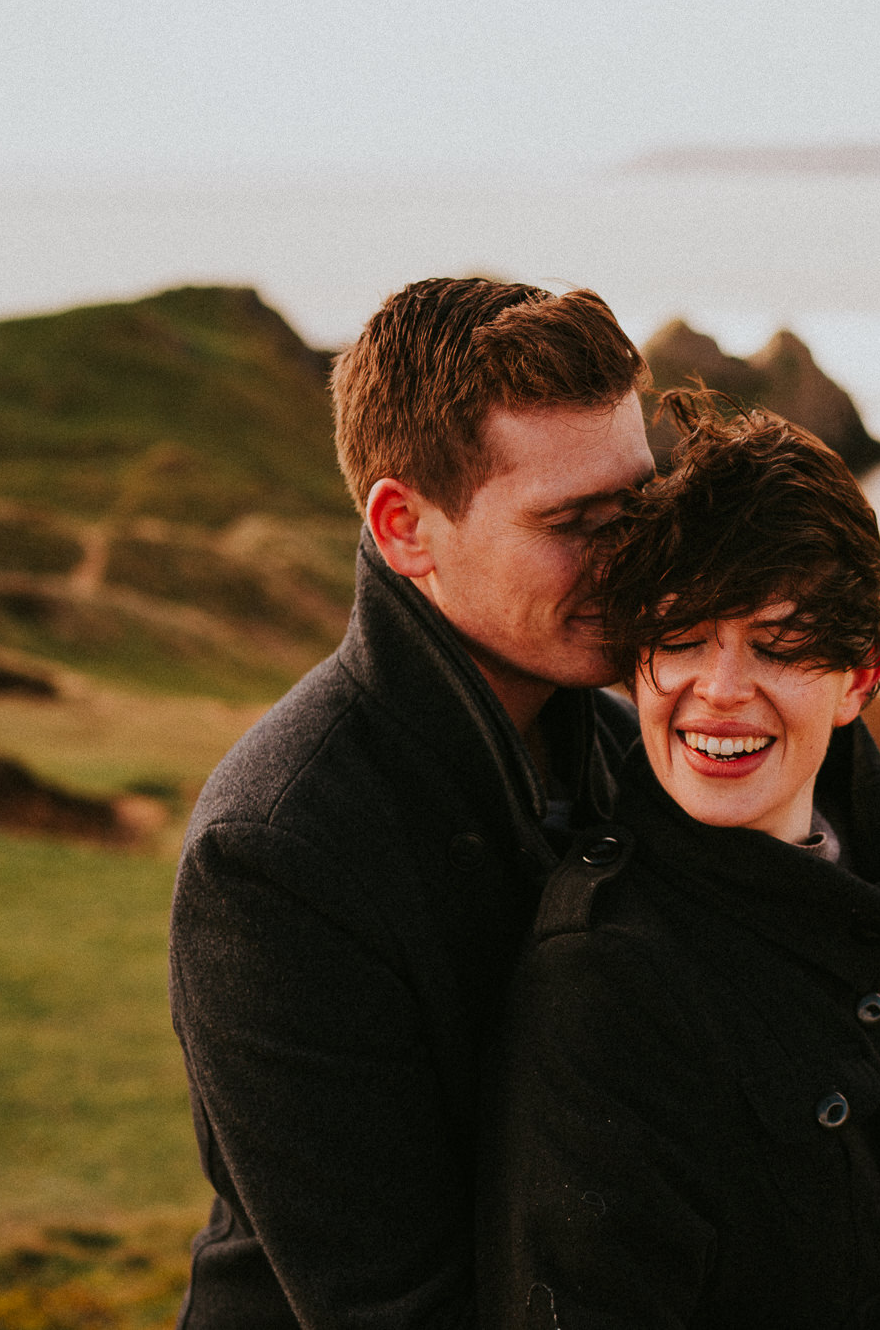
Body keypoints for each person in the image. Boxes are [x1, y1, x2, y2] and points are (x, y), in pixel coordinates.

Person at [481, 393, 880, 1330]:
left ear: (860, 677)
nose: (719, 692)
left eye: (778, 646)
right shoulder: (608, 977)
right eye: (681, 639)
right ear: (636, 663)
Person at [168, 277, 656, 1328]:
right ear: (405, 529)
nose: (633, 557)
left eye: (640, 506)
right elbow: (392, 1306)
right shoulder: (275, 851)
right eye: (574, 522)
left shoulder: (638, 753)